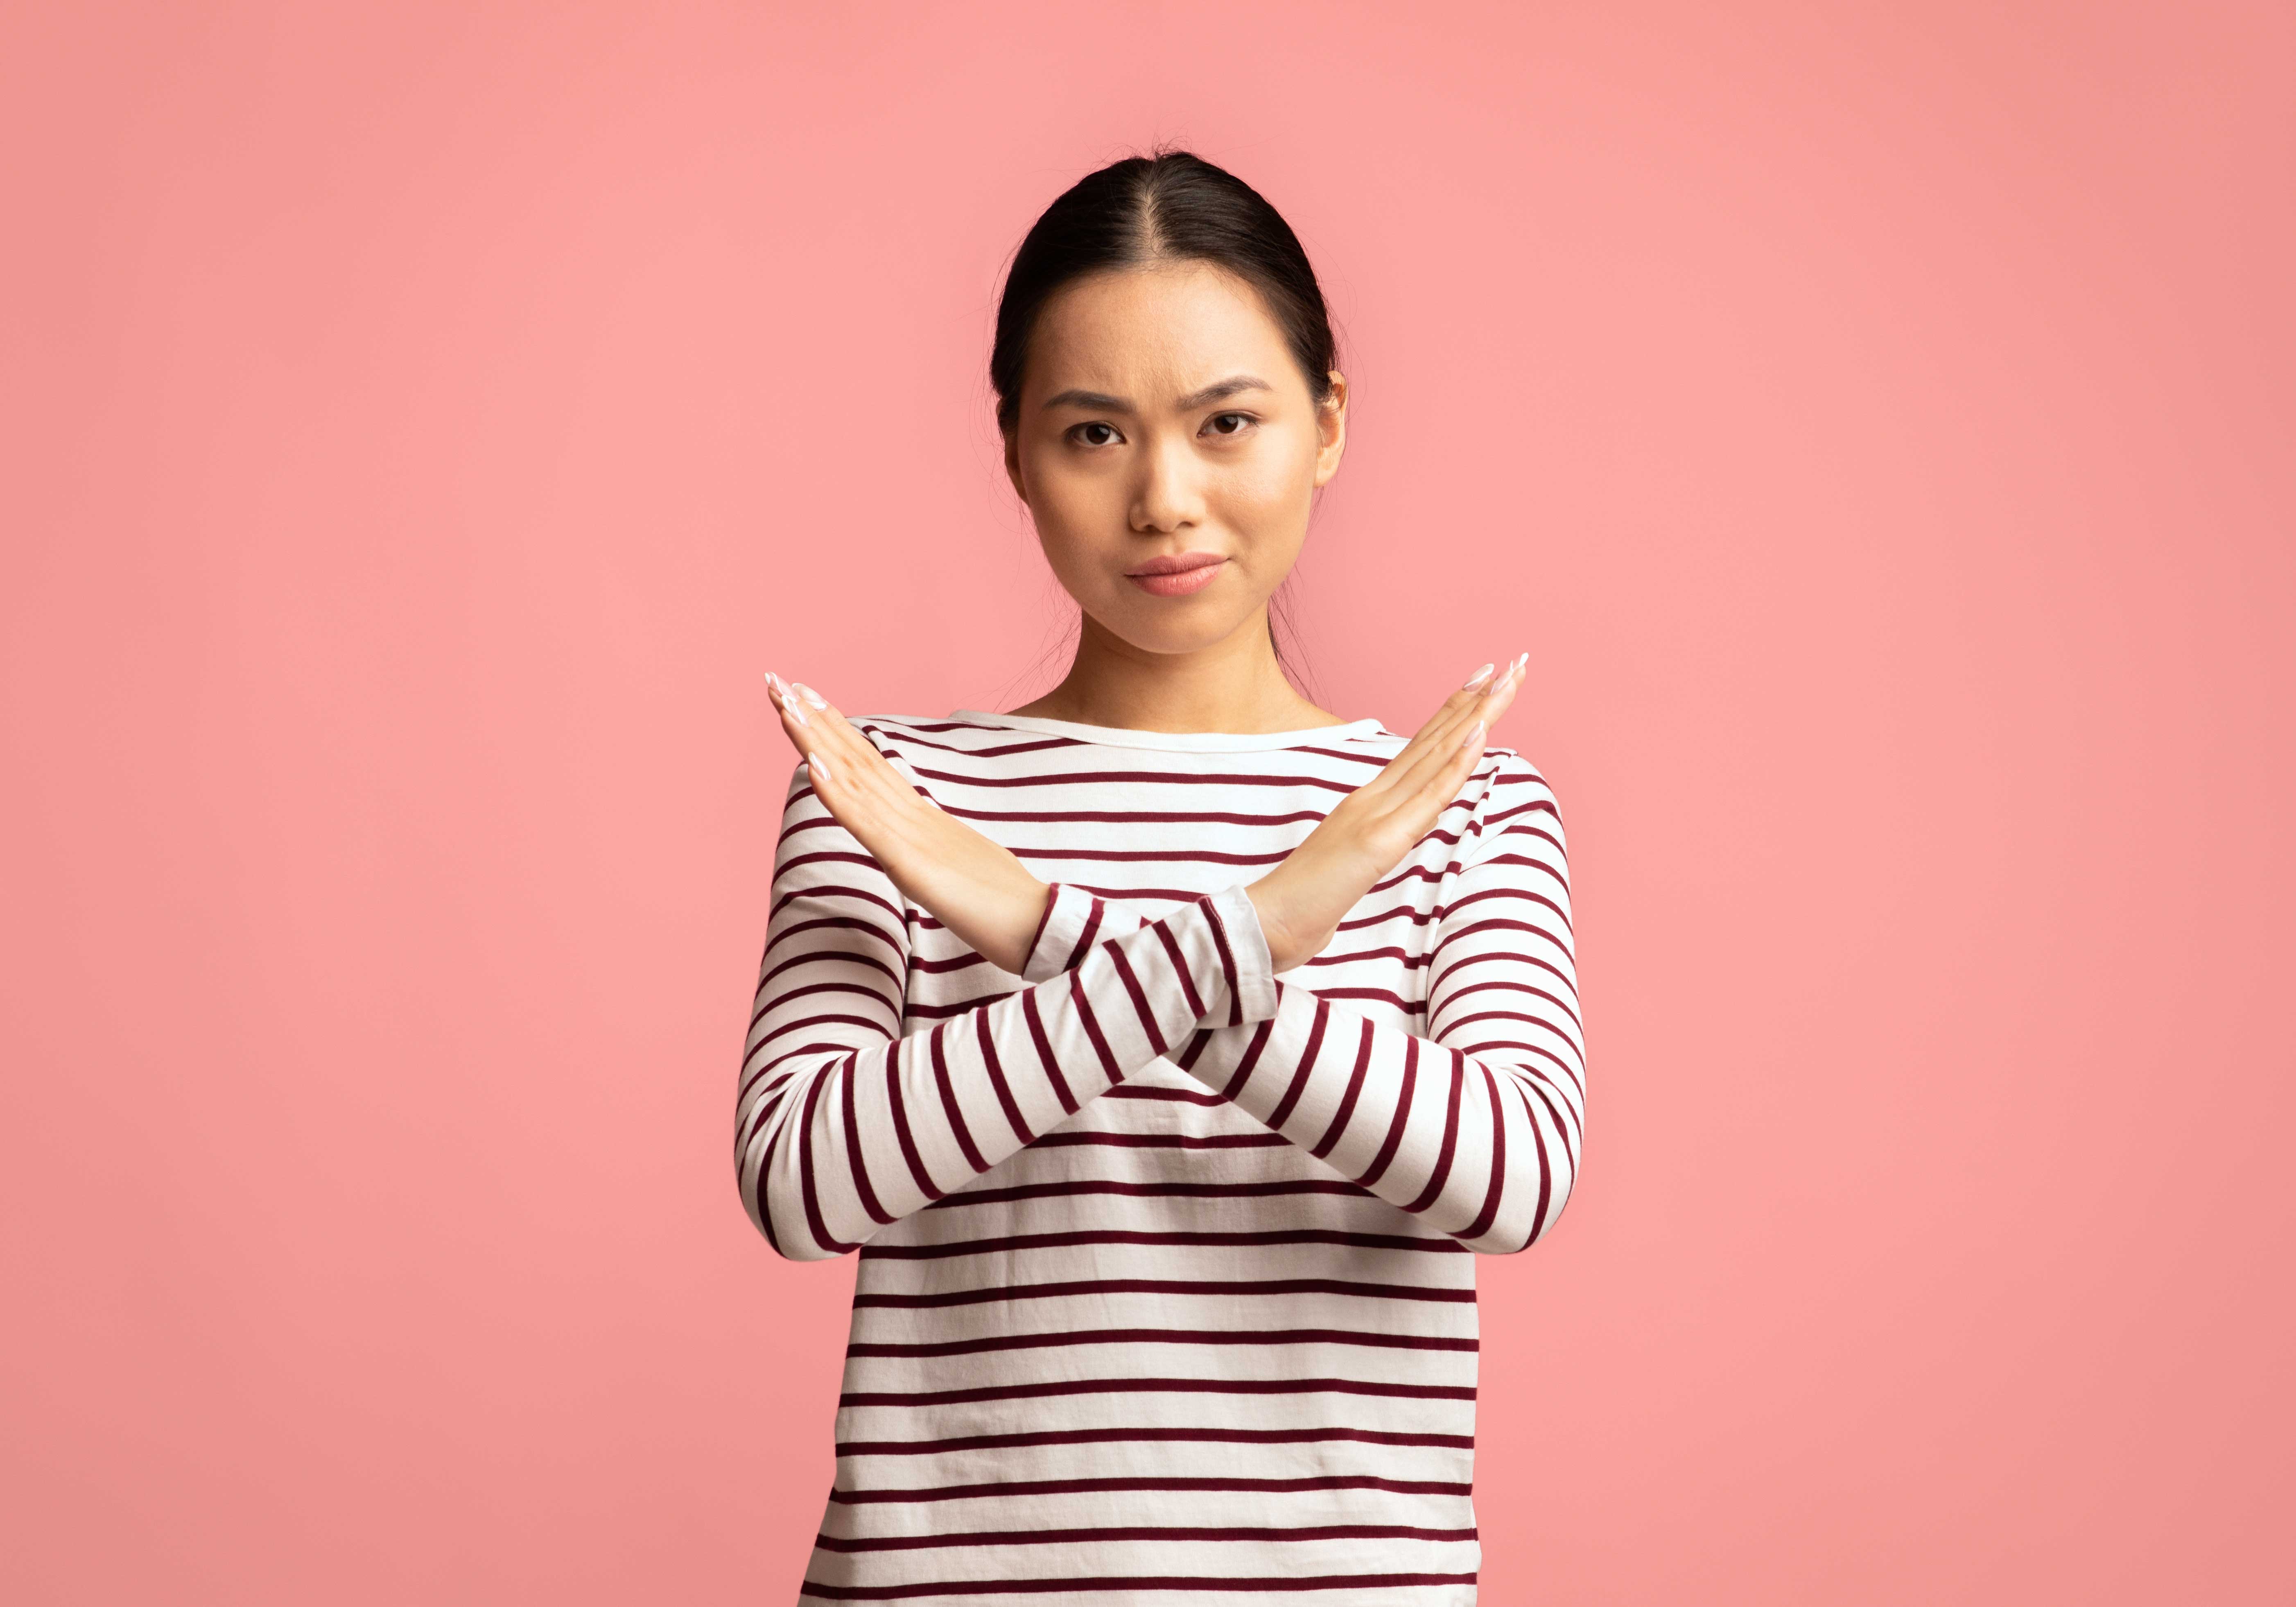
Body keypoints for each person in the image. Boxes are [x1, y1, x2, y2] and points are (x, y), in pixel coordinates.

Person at [737, 149, 1583, 1606]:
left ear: (1325, 426)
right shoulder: (887, 799)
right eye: (1093, 435)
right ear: (1012, 449)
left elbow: (1509, 1177)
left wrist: (1038, 925)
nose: (1165, 499)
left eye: (1227, 422)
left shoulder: (1456, 804)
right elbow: (807, 1184)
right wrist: (1266, 929)